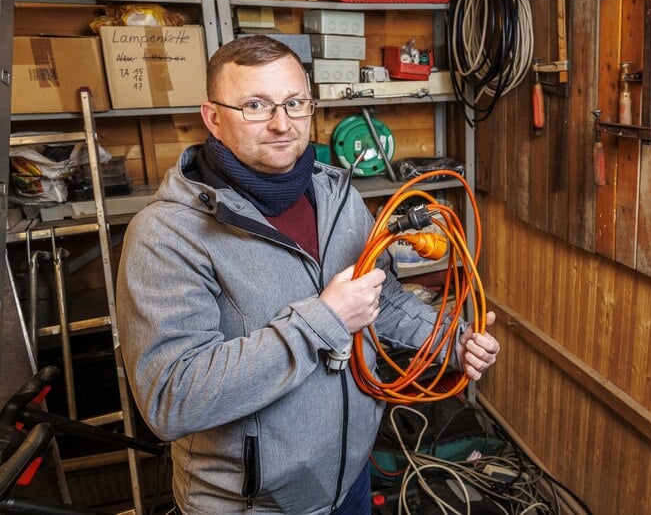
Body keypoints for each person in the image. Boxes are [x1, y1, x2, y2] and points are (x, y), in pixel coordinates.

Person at [116, 34, 499, 514]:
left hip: (349, 477)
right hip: (254, 505)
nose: (281, 123)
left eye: (295, 103)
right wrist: (324, 318)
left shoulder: (338, 197)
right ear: (213, 118)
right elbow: (172, 398)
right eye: (256, 105)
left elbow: (380, 300)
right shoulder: (168, 234)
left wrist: (450, 341)